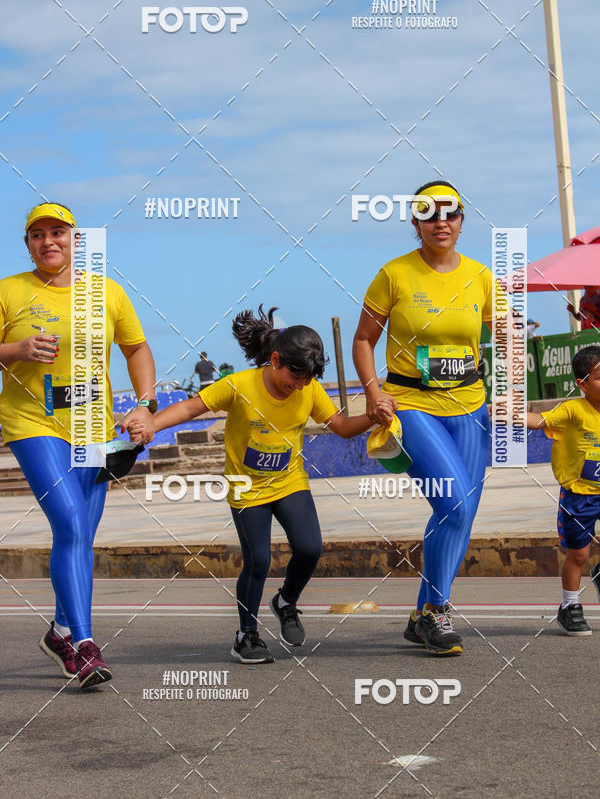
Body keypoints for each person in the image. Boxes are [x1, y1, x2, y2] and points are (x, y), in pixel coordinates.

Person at [129, 305, 388, 663]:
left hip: (289, 482)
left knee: (310, 548)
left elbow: (342, 427)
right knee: (258, 561)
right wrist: (152, 426)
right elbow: (190, 409)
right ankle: (246, 636)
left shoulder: (309, 390)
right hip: (246, 489)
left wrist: (372, 417)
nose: (297, 386)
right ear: (275, 360)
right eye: (292, 378)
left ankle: (286, 602)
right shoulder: (239, 386)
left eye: (305, 381)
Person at [0, 203, 157, 689]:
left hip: (92, 422)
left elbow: (136, 349)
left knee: (82, 535)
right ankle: (85, 645)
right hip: (32, 418)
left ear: (76, 240)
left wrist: (146, 403)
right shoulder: (9, 291)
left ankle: (61, 631)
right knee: (68, 521)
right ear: (27, 244)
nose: (49, 242)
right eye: (38, 235)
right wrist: (17, 350)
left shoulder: (106, 292)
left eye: (59, 233)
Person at [353, 181, 499, 656]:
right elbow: (362, 341)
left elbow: (511, 333)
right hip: (411, 405)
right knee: (454, 506)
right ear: (415, 223)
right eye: (429, 213)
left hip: (471, 407)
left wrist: (512, 394)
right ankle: (438, 613)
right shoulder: (394, 275)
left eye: (451, 213)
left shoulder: (480, 276)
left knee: (459, 516)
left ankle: (422, 617)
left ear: (462, 220)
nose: (441, 222)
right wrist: (374, 394)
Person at [527, 344, 600, 635]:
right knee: (578, 555)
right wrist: (511, 414)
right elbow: (540, 421)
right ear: (582, 384)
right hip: (578, 497)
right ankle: (570, 607)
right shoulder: (573, 410)